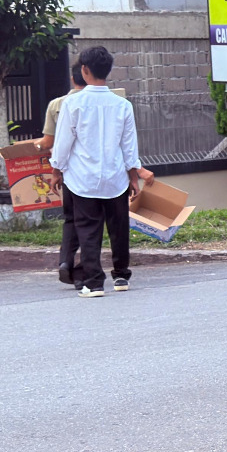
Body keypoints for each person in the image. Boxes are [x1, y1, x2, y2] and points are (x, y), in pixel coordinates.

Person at [49, 45, 142, 298]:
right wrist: (133, 176)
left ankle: (94, 282)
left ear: (84, 70)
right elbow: (129, 145)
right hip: (115, 177)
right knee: (119, 226)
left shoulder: (73, 104)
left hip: (83, 178)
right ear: (108, 71)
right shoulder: (122, 105)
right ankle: (121, 275)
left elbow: (64, 141)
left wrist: (57, 169)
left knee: (88, 228)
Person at [40, 59, 87, 287]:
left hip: (67, 171)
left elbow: (49, 141)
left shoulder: (56, 104)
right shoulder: (105, 103)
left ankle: (65, 262)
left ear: (72, 78)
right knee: (91, 221)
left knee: (71, 218)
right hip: (93, 172)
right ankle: (84, 271)